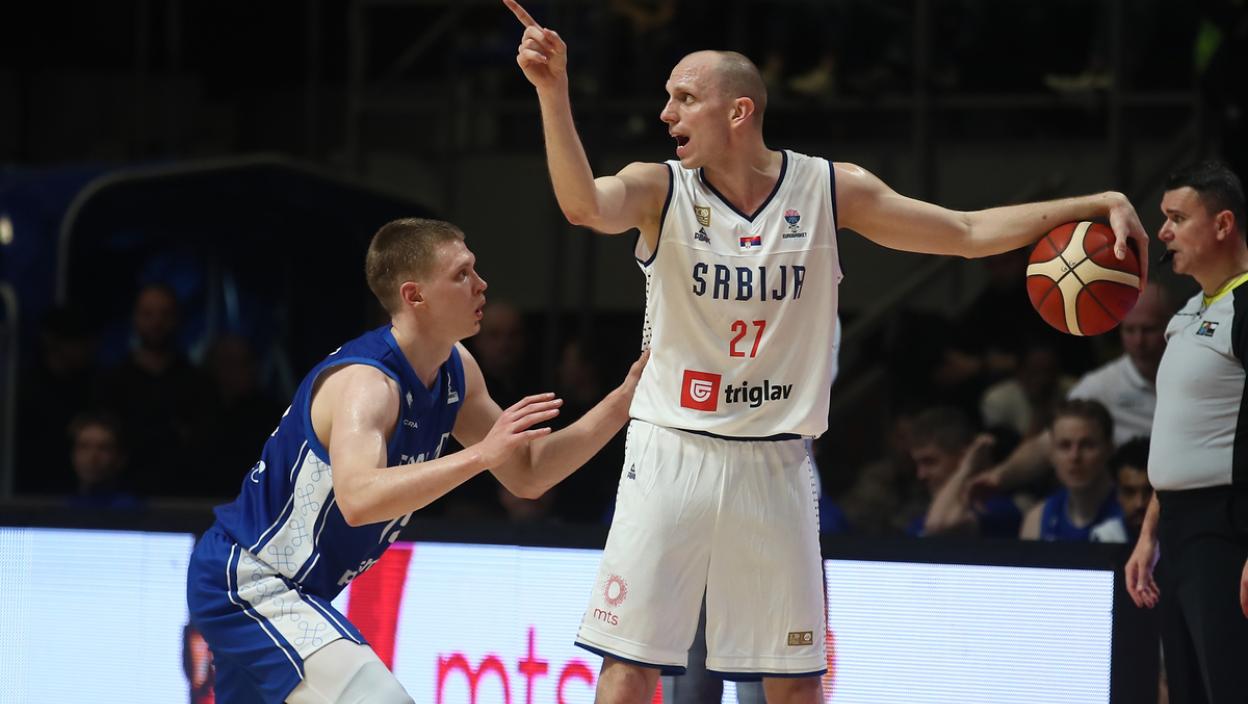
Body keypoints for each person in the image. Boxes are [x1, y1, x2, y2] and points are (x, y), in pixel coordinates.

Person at [504, 2, 1149, 699]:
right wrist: (553, 92)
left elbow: (963, 232)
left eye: (684, 98)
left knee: (795, 686)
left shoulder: (828, 188)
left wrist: (1092, 202)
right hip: (671, 451)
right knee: (629, 673)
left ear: (739, 111)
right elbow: (583, 206)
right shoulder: (659, 188)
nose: (666, 114)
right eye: (667, 98)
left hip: (776, 463)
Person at [186, 218, 645, 704]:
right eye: (462, 274)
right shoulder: (368, 384)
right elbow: (358, 499)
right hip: (250, 580)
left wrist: (625, 400)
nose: (481, 284)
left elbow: (528, 474)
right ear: (415, 296)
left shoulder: (456, 368)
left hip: (300, 592)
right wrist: (480, 455)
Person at [1125, 161, 1248, 703]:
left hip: (1227, 526)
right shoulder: (1190, 310)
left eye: (1177, 218)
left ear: (1223, 224)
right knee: (1187, 689)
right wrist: (1150, 534)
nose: (1163, 232)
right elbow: (1180, 435)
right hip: (1178, 528)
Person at [966, 281, 1173, 502]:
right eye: (1129, 330)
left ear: (1171, 325)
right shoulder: (1101, 386)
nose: (1138, 341)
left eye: (1148, 329)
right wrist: (998, 477)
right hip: (1133, 502)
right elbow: (1047, 443)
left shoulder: (1195, 373)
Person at [907, 407, 1023, 538]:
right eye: (917, 464)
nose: (921, 475)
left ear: (964, 457)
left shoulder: (998, 511)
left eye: (930, 462)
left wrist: (966, 469)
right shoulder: (917, 523)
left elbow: (939, 525)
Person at [1019, 399, 1121, 541]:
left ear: (1109, 449)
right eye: (1065, 445)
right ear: (1051, 453)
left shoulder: (1135, 515)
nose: (1074, 457)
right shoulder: (1038, 519)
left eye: (1087, 445)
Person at [65, 411, 144, 511]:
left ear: (121, 458)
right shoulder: (62, 505)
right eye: (83, 446)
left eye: (103, 448)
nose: (92, 457)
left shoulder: (130, 509)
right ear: (73, 454)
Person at [1090, 436, 1152, 543]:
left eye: (1149, 491)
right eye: (1129, 492)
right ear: (1117, 493)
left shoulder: (1178, 537)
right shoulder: (1105, 537)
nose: (1140, 504)